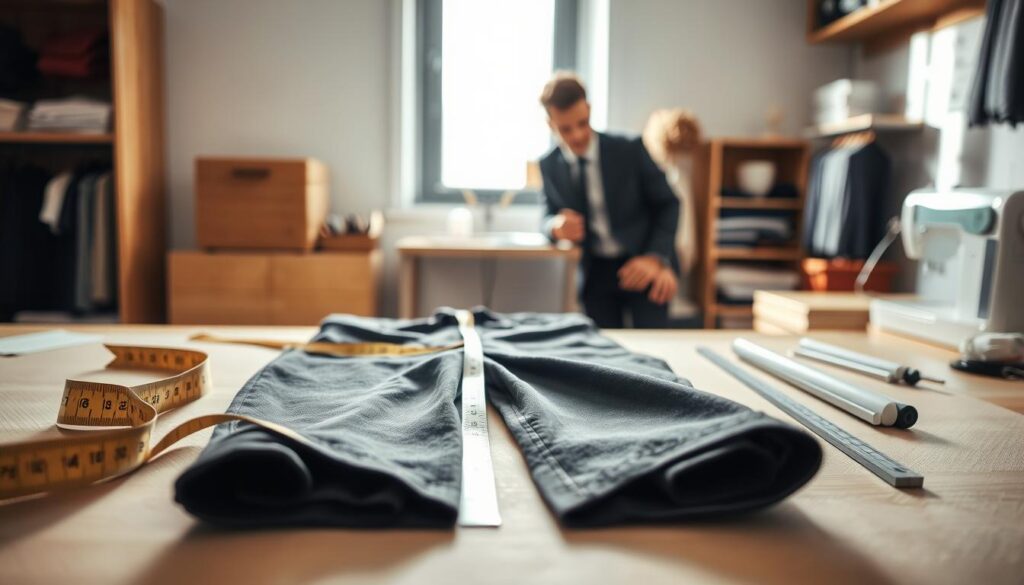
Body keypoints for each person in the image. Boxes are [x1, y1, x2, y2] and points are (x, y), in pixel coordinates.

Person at [538, 72, 680, 328]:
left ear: (589, 109)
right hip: (596, 275)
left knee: (654, 348)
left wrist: (657, 258)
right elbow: (546, 217)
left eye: (583, 122)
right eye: (565, 129)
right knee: (604, 354)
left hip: (643, 263)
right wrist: (555, 226)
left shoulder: (630, 148)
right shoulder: (548, 166)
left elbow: (668, 203)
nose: (578, 135)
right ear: (550, 124)